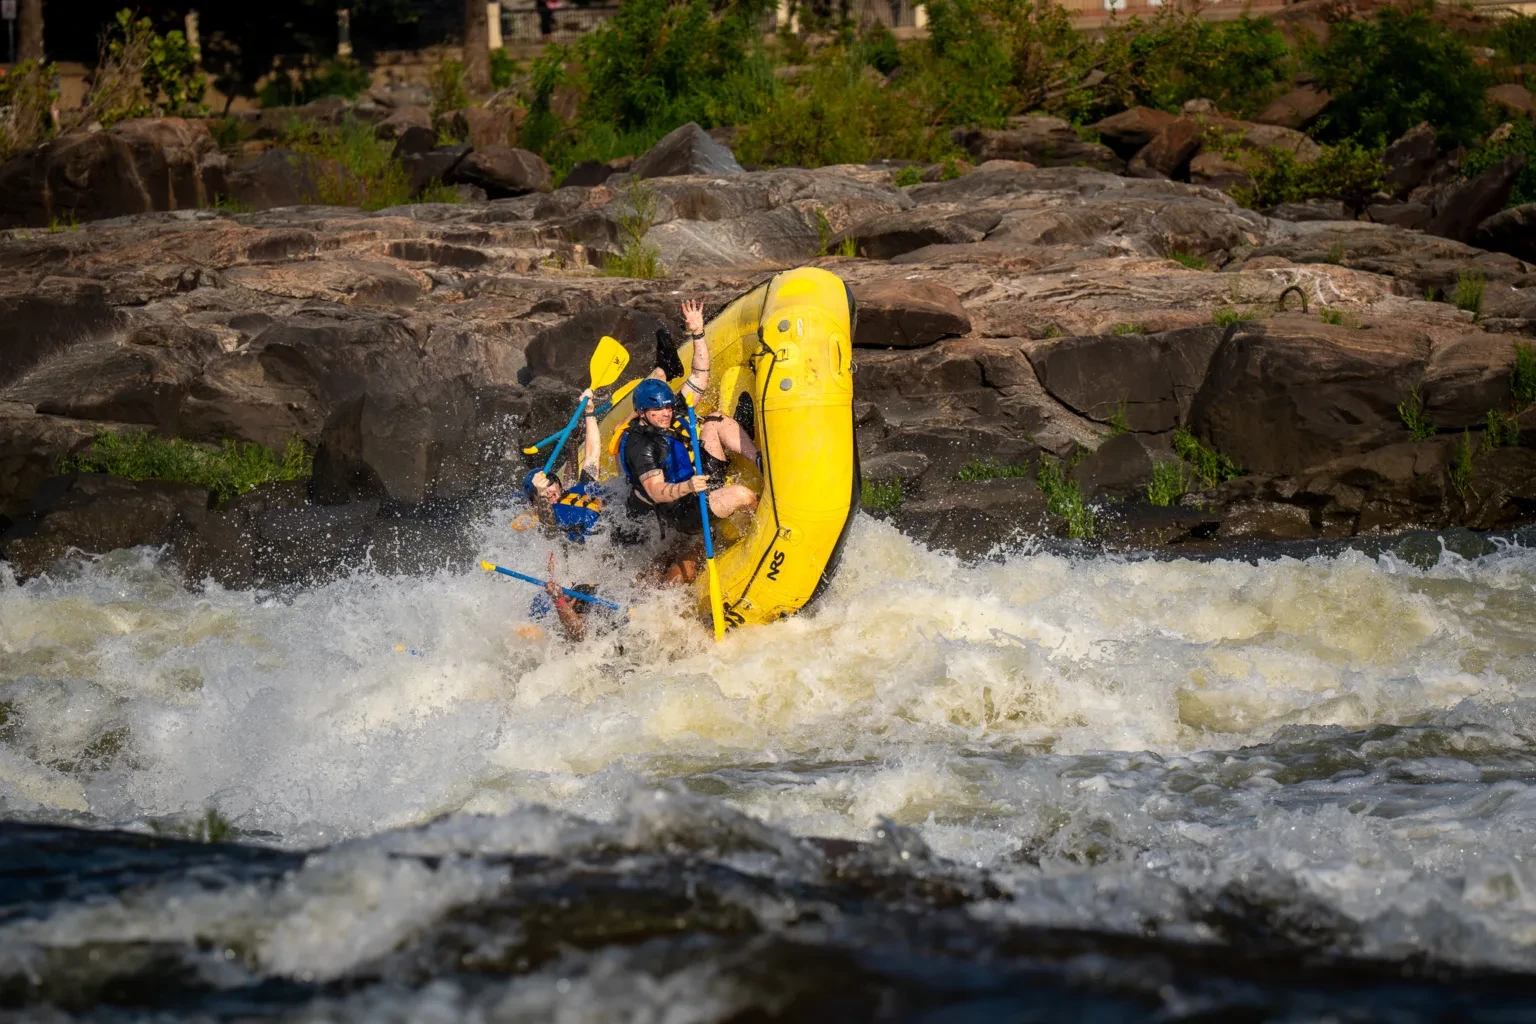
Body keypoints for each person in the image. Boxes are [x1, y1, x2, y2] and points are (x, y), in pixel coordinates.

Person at [618, 299, 760, 540]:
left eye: (668, 408)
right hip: (682, 508)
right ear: (642, 413)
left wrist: (698, 333)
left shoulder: (671, 410)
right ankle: (759, 533)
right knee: (742, 495)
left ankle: (760, 461)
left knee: (715, 420)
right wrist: (689, 487)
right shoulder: (639, 446)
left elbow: (700, 375)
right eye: (658, 411)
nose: (666, 414)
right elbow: (657, 491)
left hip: (700, 477)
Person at [522, 387, 606, 543]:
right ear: (534, 502)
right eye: (541, 489)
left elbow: (592, 454)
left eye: (549, 484)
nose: (548, 491)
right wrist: (541, 493)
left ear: (558, 484)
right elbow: (550, 529)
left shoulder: (584, 489)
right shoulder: (545, 518)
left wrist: (589, 412)